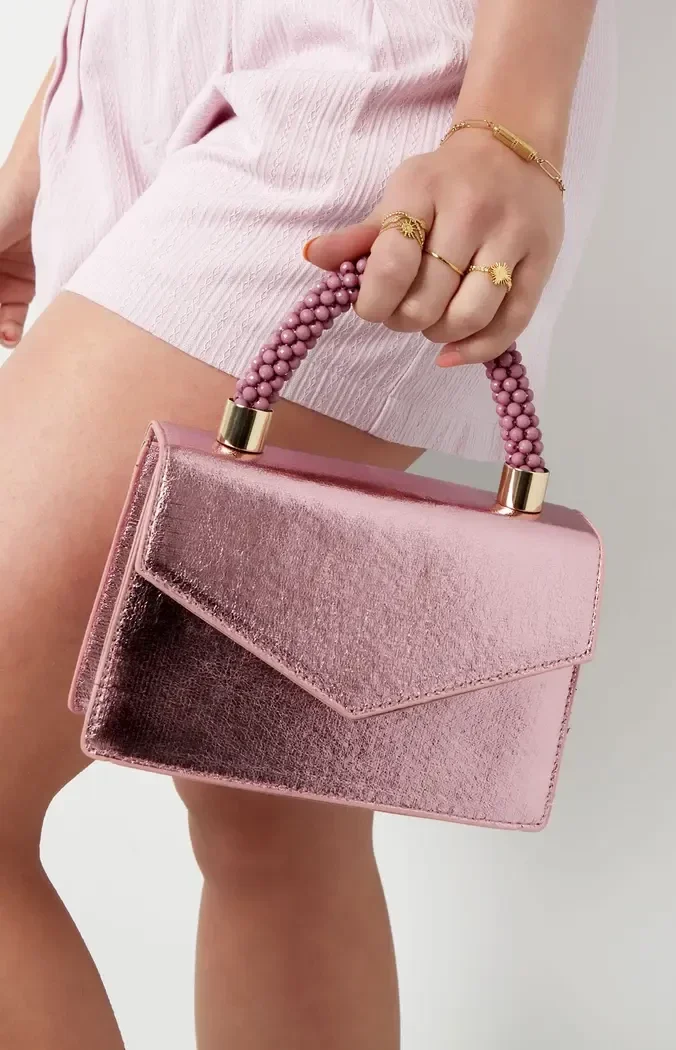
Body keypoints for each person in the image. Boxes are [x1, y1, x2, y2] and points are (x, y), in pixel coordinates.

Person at [0, 0, 615, 1046]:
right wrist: (57, 125)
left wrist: (509, 122)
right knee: (270, 816)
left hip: (370, 84)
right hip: (139, 85)